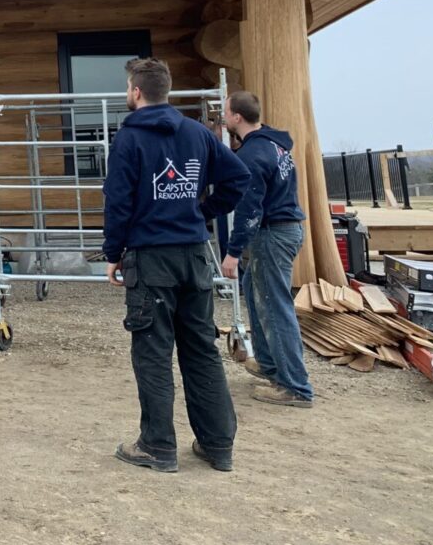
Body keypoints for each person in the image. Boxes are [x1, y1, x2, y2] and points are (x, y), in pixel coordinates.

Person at [103, 58, 249, 474]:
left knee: (152, 351)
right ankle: (218, 445)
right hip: (195, 254)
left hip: (151, 258)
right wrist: (203, 211)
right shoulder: (198, 133)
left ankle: (157, 446)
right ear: (166, 90)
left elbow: (118, 200)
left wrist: (113, 253)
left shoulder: (129, 140)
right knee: (201, 349)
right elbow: (238, 178)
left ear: (135, 91)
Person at [221, 90, 314, 408]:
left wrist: (233, 252)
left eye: (225, 111)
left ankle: (295, 387)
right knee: (253, 288)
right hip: (284, 228)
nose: (222, 116)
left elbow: (249, 211)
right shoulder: (273, 144)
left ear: (236, 117)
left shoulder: (253, 156)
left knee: (275, 307)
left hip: (273, 233)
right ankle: (270, 363)